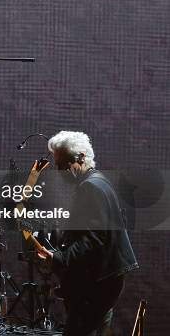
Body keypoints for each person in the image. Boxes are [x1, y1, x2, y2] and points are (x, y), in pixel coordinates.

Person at [38, 131, 138, 335]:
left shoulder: (90, 187)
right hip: (107, 280)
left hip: (98, 285)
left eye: (63, 164)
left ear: (82, 157)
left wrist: (59, 258)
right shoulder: (99, 181)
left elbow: (93, 239)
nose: (59, 171)